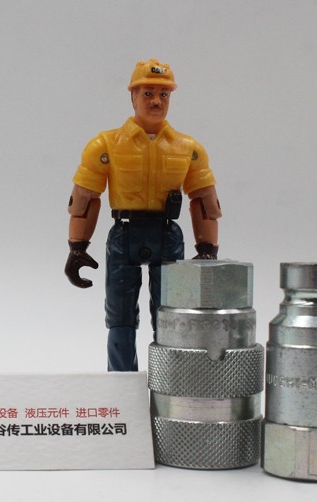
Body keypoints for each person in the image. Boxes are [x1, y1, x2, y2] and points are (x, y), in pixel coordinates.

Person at [65, 58, 221, 371]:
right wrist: (77, 247)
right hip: (124, 234)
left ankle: (170, 383)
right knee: (120, 317)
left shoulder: (187, 147)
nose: (156, 101)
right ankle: (121, 386)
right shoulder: (105, 145)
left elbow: (204, 201)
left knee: (170, 317)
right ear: (133, 96)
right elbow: (85, 199)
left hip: (167, 235)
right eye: (148, 93)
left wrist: (207, 250)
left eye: (164, 94)